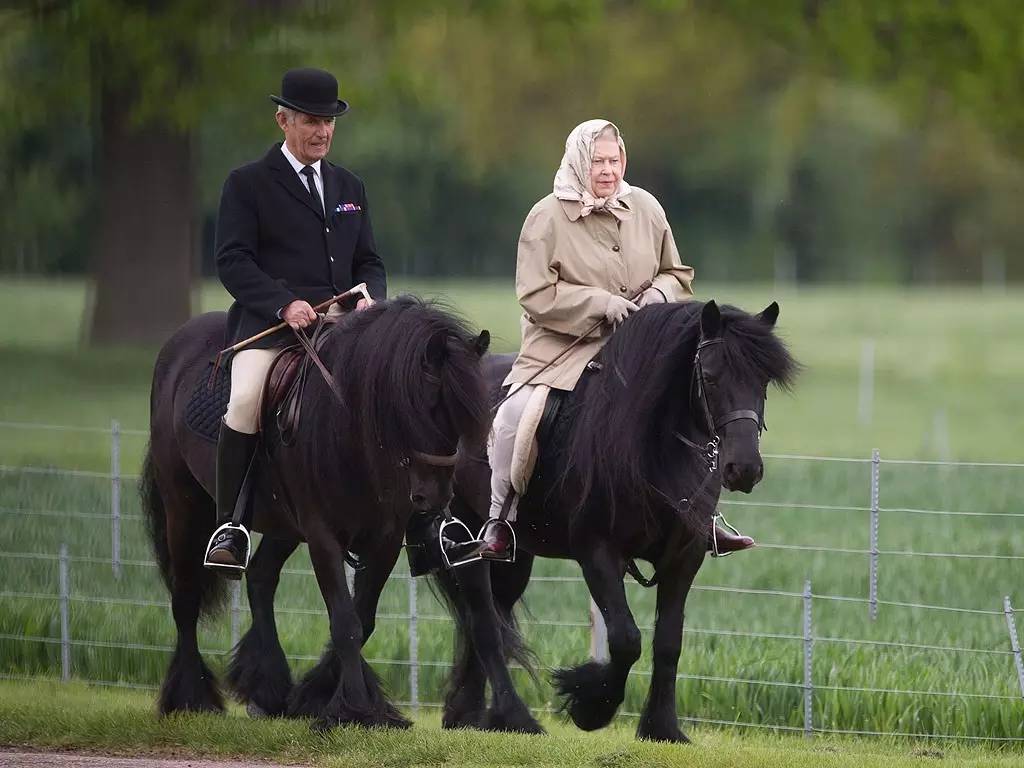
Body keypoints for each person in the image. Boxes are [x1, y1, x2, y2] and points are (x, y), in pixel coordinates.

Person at [476, 119, 754, 560]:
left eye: (614, 160)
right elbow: (534, 294)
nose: (607, 170)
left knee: (694, 404)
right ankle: (500, 520)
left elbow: (676, 273)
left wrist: (659, 295)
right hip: (561, 346)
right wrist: (600, 304)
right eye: (598, 161)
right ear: (578, 161)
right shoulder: (545, 216)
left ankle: (704, 518)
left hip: (644, 346)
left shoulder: (646, 206)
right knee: (514, 419)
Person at [204, 68, 386, 574]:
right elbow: (232, 260)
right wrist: (283, 304)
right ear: (283, 120)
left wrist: (371, 298)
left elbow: (369, 261)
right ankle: (230, 525)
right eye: (311, 120)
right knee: (243, 402)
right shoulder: (247, 184)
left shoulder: (351, 186)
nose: (322, 131)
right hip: (272, 331)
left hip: (341, 331)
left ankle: (419, 522)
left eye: (329, 121)